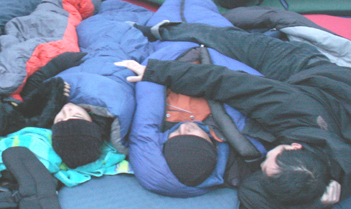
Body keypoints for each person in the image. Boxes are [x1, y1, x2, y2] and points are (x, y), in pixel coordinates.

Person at [116, 21, 351, 208]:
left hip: (326, 109)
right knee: (234, 40)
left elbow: (251, 196)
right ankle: (163, 29)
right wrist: (157, 72)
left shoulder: (327, 184)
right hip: (314, 75)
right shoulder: (291, 108)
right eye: (272, 156)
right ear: (295, 146)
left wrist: (314, 205)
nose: (263, 160)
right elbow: (229, 83)